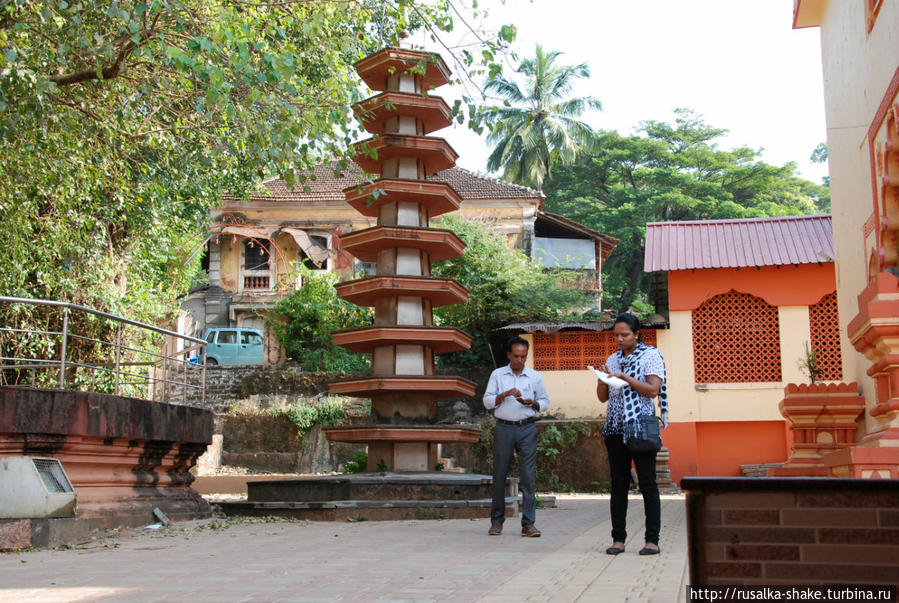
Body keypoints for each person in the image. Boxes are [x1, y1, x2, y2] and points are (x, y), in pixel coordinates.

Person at [596, 313, 668, 555]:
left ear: (636, 334)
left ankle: (652, 540)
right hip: (616, 426)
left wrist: (625, 378)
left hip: (639, 425)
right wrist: (602, 379)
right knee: (618, 484)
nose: (619, 339)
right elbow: (603, 397)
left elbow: (653, 390)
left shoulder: (650, 355)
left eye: (624, 334)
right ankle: (618, 540)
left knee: (647, 483)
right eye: (615, 334)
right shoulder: (613, 359)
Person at [483, 336, 550, 537]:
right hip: (504, 428)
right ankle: (497, 522)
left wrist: (533, 403)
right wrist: (504, 395)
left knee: (528, 477)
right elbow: (487, 401)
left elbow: (545, 401)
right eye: (516, 356)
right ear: (508, 355)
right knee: (499, 475)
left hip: (527, 428)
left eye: (523, 356)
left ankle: (528, 524)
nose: (520, 360)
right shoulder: (498, 374)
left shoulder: (535, 376)